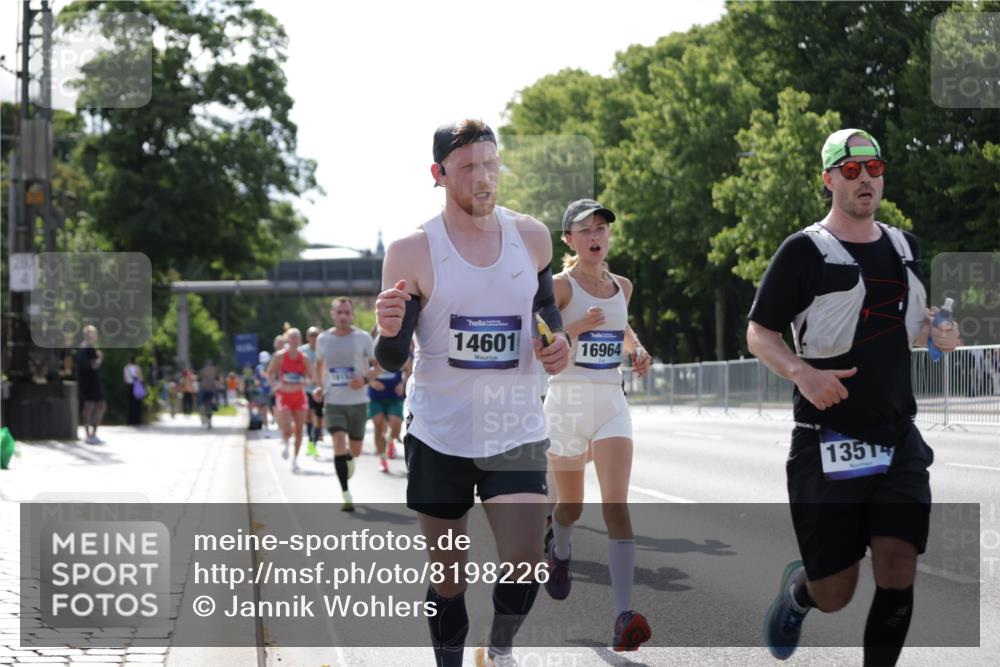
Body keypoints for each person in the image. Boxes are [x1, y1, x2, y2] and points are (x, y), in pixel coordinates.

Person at [748, 129, 962, 665]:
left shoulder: (904, 245)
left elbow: (911, 326)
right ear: (828, 180)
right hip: (828, 442)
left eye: (873, 167)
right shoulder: (803, 250)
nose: (864, 178)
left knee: (898, 566)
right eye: (850, 169)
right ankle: (801, 593)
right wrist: (803, 374)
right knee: (835, 593)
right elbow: (759, 333)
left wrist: (939, 332)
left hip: (896, 436)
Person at [374, 119, 570, 667]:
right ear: (439, 175)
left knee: (526, 559)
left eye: (491, 163)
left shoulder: (531, 237)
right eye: (468, 168)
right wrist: (387, 331)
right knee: (450, 576)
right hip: (440, 431)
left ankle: (501, 649)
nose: (484, 177)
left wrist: (559, 347)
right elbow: (392, 358)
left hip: (514, 425)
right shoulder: (413, 251)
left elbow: (546, 315)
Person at [541, 199, 653, 652]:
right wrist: (574, 330)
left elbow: (623, 332)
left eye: (602, 228)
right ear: (569, 239)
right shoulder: (558, 287)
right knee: (570, 507)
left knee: (616, 506)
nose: (595, 236)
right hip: (566, 407)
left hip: (610, 402)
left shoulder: (622, 286)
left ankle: (623, 615)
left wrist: (638, 350)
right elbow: (540, 344)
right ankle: (560, 546)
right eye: (585, 229)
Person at [314, 297, 378, 511]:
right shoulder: (323, 339)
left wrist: (365, 379)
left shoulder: (362, 338)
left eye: (346, 312)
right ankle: (345, 492)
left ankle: (349, 457)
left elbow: (378, 366)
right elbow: (319, 365)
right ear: (333, 314)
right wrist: (319, 387)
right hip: (333, 401)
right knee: (338, 442)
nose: (343, 316)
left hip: (358, 402)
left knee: (356, 450)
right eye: (339, 312)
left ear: (353, 315)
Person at [267, 327, 315, 472]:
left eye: (297, 337)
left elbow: (311, 376)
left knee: (299, 430)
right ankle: (286, 443)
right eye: (292, 337)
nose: (295, 339)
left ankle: (295, 460)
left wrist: (306, 382)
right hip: (284, 396)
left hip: (299, 396)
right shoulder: (280, 356)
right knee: (287, 428)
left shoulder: (304, 358)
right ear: (287, 339)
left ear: (300, 340)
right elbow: (269, 373)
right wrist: (274, 385)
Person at [367, 325, 411, 473]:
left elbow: (408, 369)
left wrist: (403, 383)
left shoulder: (397, 350)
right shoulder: (371, 352)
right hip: (376, 396)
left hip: (394, 395)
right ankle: (383, 459)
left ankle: (391, 441)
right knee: (378, 427)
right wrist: (372, 381)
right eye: (379, 332)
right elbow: (363, 371)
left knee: (396, 426)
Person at [75, 325, 106, 444]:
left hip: (84, 381)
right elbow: (94, 365)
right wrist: (100, 358)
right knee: (100, 406)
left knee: (88, 407)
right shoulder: (90, 348)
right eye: (93, 334)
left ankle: (88, 435)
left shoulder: (81, 347)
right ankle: (92, 434)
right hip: (93, 382)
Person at [302, 326, 324, 458]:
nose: (314, 337)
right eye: (311, 335)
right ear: (307, 337)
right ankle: (311, 442)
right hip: (306, 389)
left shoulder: (323, 350)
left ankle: (315, 440)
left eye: (316, 335)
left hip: (320, 389)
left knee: (319, 417)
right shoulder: (302, 351)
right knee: (309, 416)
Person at [252, 351, 273, 433]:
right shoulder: (268, 366)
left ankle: (266, 425)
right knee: (266, 408)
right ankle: (267, 424)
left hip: (266, 391)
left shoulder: (260, 367)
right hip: (267, 391)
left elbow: (257, 380)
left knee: (264, 408)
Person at [197, 359, 219, 429]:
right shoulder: (215, 370)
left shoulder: (202, 370)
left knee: (200, 402)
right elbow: (217, 378)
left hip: (203, 389)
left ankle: (201, 410)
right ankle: (215, 403)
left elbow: (198, 379)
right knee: (215, 397)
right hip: (212, 389)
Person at [123, 356, 144, 426]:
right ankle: (136, 421)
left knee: (130, 404)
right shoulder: (137, 368)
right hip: (136, 386)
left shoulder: (126, 368)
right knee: (137, 405)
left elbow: (125, 379)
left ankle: (130, 421)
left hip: (129, 386)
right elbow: (140, 378)